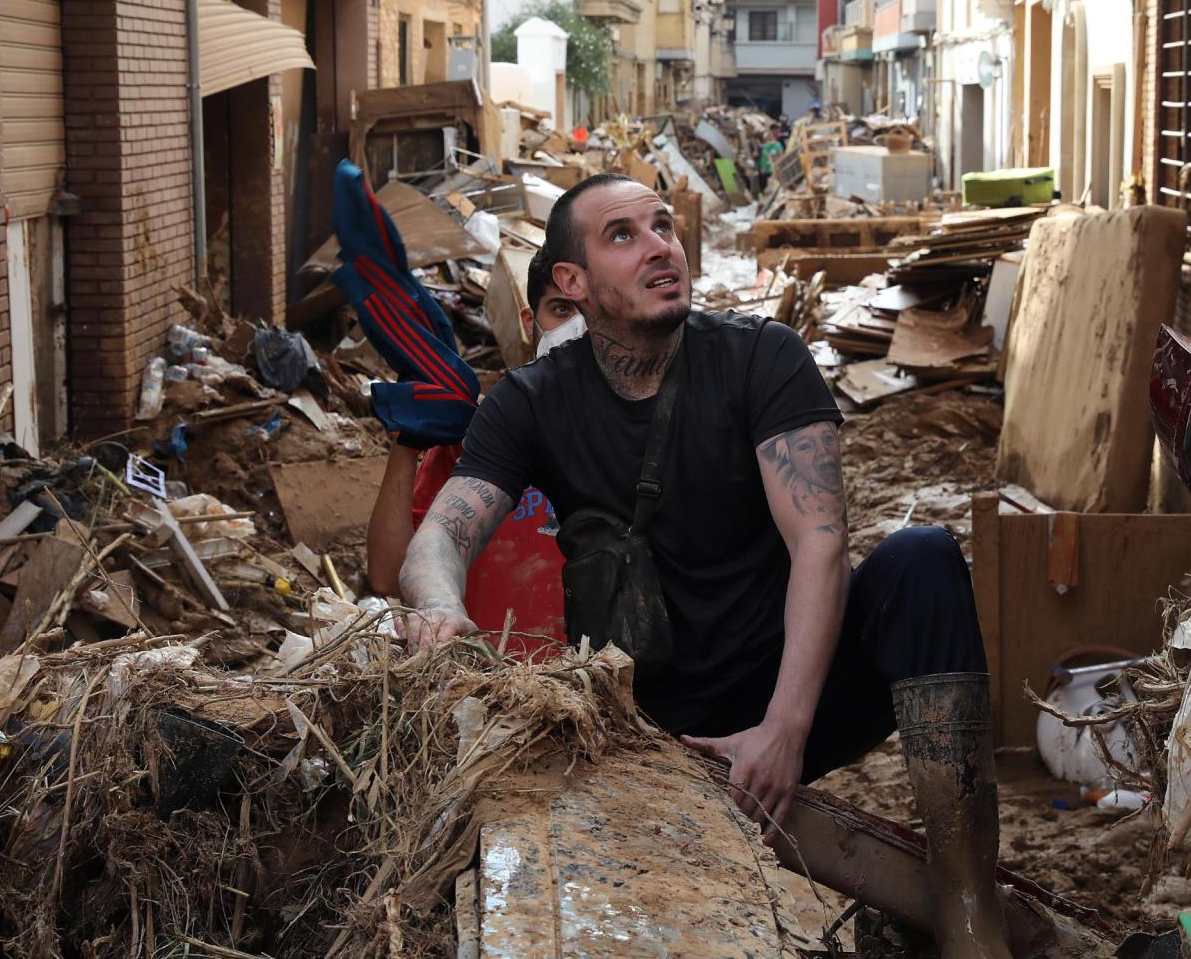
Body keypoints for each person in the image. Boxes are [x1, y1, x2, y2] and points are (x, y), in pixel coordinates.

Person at [397, 173, 1012, 958]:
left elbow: (820, 539)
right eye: (623, 235)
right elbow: (440, 538)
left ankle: (969, 904)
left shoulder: (763, 358)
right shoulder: (531, 401)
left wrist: (785, 731)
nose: (660, 247)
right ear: (571, 283)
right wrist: (440, 606)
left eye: (664, 227)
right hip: (652, 728)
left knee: (922, 559)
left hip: (795, 684)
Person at [366, 251, 585, 646]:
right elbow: (387, 575)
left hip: (599, 681)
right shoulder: (482, 437)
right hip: (488, 683)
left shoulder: (643, 435)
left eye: (592, 309)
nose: (578, 326)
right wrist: (407, 444)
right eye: (560, 309)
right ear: (528, 321)